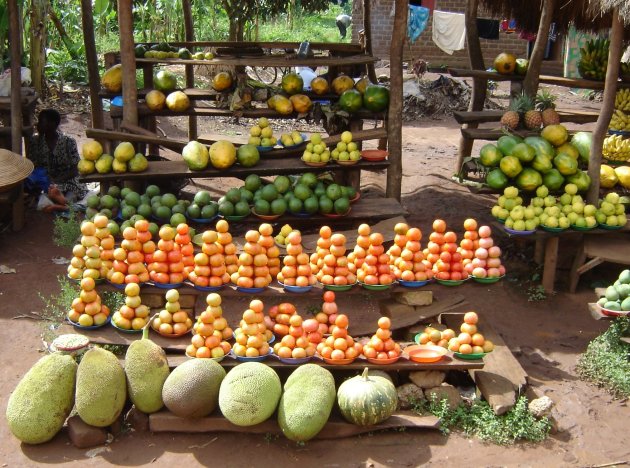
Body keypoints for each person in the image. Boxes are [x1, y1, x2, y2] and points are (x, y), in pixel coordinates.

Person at [26, 108, 87, 212]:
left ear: (53, 124)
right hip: (48, 183)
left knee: (74, 189)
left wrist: (58, 180)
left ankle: (62, 204)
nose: (38, 124)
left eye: (42, 121)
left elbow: (75, 168)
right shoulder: (35, 142)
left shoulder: (68, 142)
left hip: (68, 179)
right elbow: (31, 166)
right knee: (49, 190)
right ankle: (64, 204)